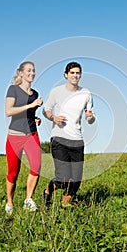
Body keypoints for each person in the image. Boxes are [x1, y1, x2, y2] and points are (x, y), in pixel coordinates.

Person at [42, 61, 95, 207]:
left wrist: (90, 117)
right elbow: (46, 110)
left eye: (78, 73)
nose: (75, 75)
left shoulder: (86, 94)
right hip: (59, 138)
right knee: (63, 177)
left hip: (77, 139)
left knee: (76, 178)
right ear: (66, 75)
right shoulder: (56, 92)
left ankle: (64, 205)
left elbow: (90, 118)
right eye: (72, 73)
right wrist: (54, 117)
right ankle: (47, 191)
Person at [4, 61, 43, 214]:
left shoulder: (35, 94)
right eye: (28, 70)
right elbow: (9, 111)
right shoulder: (13, 89)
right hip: (15, 136)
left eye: (33, 70)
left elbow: (28, 114)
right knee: (13, 173)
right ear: (20, 73)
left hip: (31, 134)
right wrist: (30, 106)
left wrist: (35, 117)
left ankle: (28, 199)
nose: (32, 73)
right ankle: (10, 203)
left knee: (36, 165)